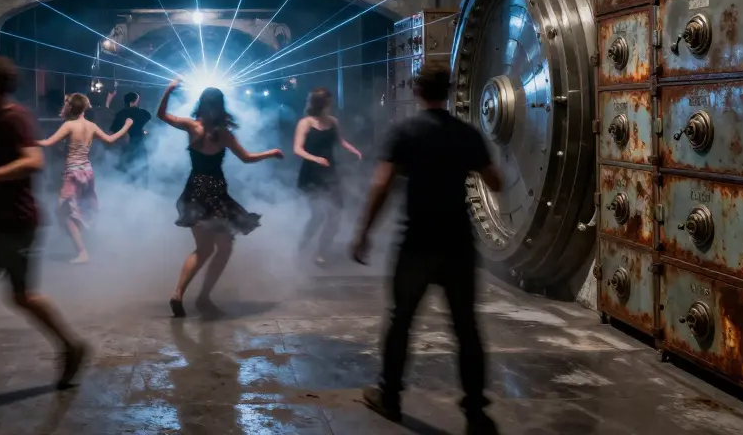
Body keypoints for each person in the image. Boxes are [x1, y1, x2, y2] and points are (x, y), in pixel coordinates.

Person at [349, 62, 504, 433]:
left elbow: (381, 186)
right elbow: (495, 182)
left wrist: (363, 232)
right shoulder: (467, 134)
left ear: (418, 91)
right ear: (448, 92)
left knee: (401, 322)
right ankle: (476, 414)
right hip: (458, 244)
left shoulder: (404, 132)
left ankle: (390, 398)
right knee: (465, 328)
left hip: (417, 242)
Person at [0, 56, 88, 389]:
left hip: (17, 222)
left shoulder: (14, 118)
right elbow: (1, 164)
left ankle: (71, 346)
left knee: (23, 297)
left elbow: (33, 161)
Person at [157, 80, 283, 318]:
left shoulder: (191, 126)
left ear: (201, 104)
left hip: (194, 190)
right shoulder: (224, 134)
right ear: (221, 107)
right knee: (223, 248)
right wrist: (271, 153)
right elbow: (246, 158)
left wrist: (169, 89)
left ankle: (178, 293)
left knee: (203, 249)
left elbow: (161, 115)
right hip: (215, 193)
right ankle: (203, 298)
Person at [37, 93, 133, 264]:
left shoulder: (70, 125)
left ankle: (82, 250)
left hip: (73, 173)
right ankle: (88, 236)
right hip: (87, 172)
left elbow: (47, 143)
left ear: (71, 107)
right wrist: (126, 126)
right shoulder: (91, 125)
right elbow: (111, 140)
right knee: (84, 206)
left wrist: (25, 140)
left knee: (63, 212)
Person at [292, 87, 363, 266]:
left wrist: (353, 150)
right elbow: (297, 149)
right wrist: (315, 158)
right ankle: (302, 246)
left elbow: (341, 141)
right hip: (311, 174)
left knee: (335, 215)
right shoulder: (305, 123)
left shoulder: (333, 121)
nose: (330, 104)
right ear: (320, 103)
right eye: (328, 101)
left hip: (330, 173)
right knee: (318, 215)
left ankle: (321, 252)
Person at [110, 91, 153, 185]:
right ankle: (141, 192)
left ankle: (124, 192)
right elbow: (149, 118)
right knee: (141, 169)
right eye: (137, 100)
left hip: (125, 146)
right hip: (139, 145)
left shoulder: (119, 114)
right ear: (132, 102)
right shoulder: (142, 113)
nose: (138, 102)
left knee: (125, 169)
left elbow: (113, 131)